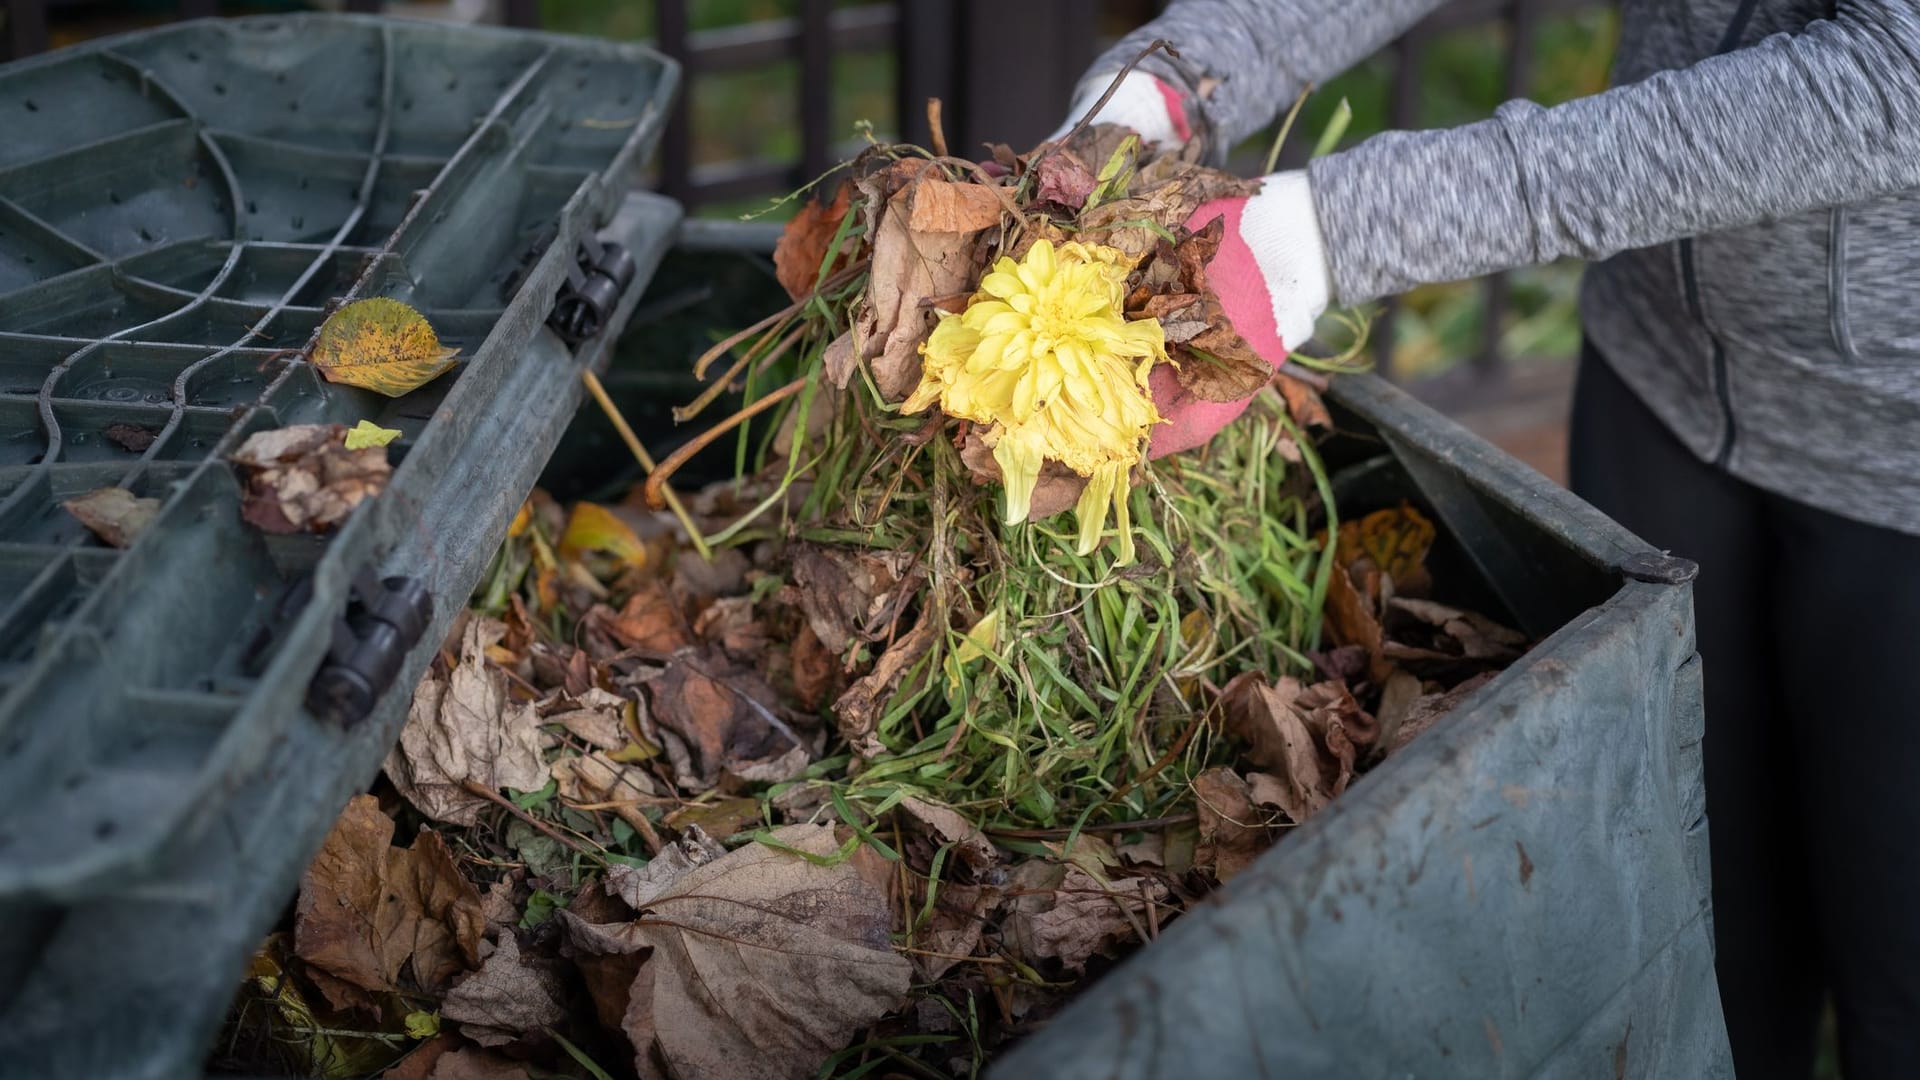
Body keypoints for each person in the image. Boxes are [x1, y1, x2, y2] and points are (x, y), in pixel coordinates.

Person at [1050, 1, 1920, 1076]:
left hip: (1902, 463)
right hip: (1659, 381)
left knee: (1900, 961)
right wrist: (1182, 74)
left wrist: (1333, 231)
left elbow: (1893, 73)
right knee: (1691, 886)